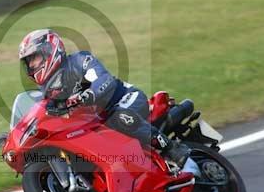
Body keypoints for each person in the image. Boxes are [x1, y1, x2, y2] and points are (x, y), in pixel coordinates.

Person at [18, 28, 193, 168]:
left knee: (119, 117)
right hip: (97, 122)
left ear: (50, 50)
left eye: (34, 58)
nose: (32, 65)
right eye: (29, 62)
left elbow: (104, 80)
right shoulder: (47, 91)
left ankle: (172, 149)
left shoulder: (80, 60)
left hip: (124, 98)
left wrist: (88, 95)